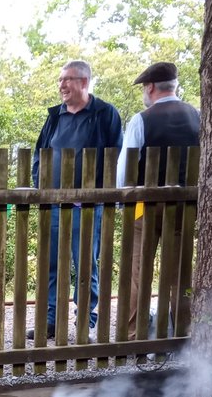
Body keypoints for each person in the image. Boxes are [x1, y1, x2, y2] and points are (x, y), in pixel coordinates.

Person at [30, 59, 123, 339]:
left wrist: (103, 196)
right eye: (59, 80)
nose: (61, 86)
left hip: (89, 206)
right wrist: (41, 186)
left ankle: (86, 322)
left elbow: (115, 157)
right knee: (52, 265)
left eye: (67, 80)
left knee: (86, 265)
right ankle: (51, 322)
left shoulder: (105, 114)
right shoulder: (55, 116)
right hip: (55, 205)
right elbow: (40, 154)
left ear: (84, 81)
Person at [114, 61, 200, 339]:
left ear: (150, 88)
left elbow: (125, 167)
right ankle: (182, 332)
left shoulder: (141, 120)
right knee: (180, 274)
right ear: (174, 86)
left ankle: (132, 333)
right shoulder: (199, 117)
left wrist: (121, 202)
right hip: (185, 207)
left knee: (137, 271)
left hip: (145, 206)